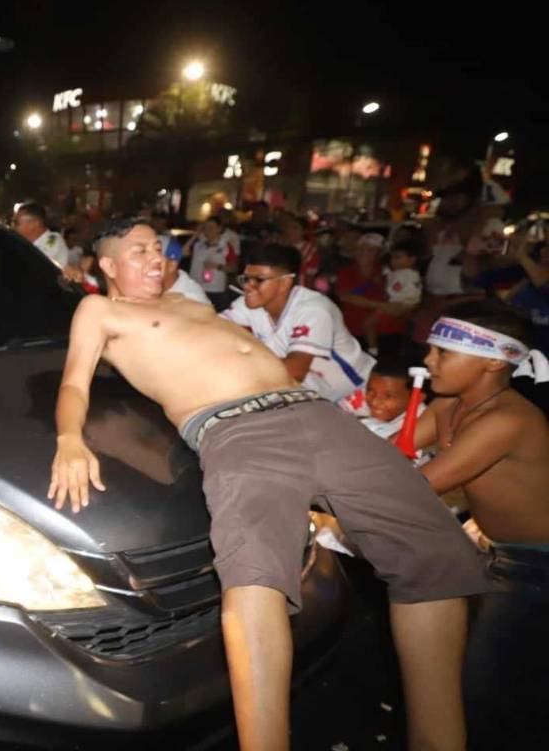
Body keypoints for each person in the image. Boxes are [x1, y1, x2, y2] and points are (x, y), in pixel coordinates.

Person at [48, 216, 488, 751]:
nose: (156, 258)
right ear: (109, 265)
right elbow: (74, 381)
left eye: (159, 249)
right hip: (236, 430)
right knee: (256, 579)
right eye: (139, 251)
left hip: (317, 414)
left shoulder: (192, 303)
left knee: (432, 552)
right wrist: (70, 439)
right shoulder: (101, 311)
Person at [408, 303, 549, 745]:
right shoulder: (451, 404)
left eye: (442, 352)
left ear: (492, 359)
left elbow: (414, 487)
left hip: (538, 569)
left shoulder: (508, 419)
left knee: (494, 699)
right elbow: (392, 453)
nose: (429, 361)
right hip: (506, 556)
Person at [222, 244, 375, 406]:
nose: (247, 286)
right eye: (246, 279)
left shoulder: (314, 310)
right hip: (313, 397)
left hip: (357, 394)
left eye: (259, 280)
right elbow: (213, 333)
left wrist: (237, 363)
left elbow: (295, 370)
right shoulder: (249, 303)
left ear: (285, 283)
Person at [359, 241, 423, 358]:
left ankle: (373, 350)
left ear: (412, 259)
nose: (394, 260)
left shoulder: (410, 275)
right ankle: (373, 349)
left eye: (398, 257)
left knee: (368, 323)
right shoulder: (396, 273)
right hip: (394, 305)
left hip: (401, 304)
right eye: (392, 257)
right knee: (369, 323)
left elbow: (401, 292)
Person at [338, 359, 424, 439]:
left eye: (389, 396)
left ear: (416, 398)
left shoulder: (423, 425)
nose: (374, 402)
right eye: (370, 390)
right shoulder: (361, 397)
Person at [183, 215, 239, 311]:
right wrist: (196, 234)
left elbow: (234, 268)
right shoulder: (198, 244)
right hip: (195, 289)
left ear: (219, 229)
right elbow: (183, 252)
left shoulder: (226, 246)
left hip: (215, 291)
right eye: (206, 227)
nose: (208, 230)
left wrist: (217, 266)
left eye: (212, 227)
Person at [11, 202, 70, 268]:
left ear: (33, 224)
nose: (12, 227)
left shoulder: (52, 240)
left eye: (16, 223)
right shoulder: (23, 243)